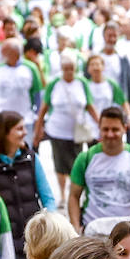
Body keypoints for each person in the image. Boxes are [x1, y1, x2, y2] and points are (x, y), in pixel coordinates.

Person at [67, 107, 130, 233]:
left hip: (127, 230)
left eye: (115, 130)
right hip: (93, 228)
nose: (110, 134)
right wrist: (75, 228)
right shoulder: (85, 158)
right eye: (105, 129)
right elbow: (74, 196)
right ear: (99, 129)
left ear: (124, 129)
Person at [0, 111, 56, 259]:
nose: (25, 133)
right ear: (3, 133)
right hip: (2, 240)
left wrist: (48, 223)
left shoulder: (30, 158)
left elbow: (47, 197)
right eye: (19, 129)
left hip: (33, 238)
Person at [35, 53, 100, 210]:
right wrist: (38, 129)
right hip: (57, 130)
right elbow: (43, 108)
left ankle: (74, 192)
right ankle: (63, 195)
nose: (69, 72)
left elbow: (90, 105)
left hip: (76, 133)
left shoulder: (82, 83)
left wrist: (100, 124)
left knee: (76, 164)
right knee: (59, 164)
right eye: (66, 69)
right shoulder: (54, 83)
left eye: (71, 69)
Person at [0, 37, 45, 129]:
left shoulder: (30, 68)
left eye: (5, 51)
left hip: (25, 120)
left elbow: (38, 95)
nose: (2, 54)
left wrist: (36, 117)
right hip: (2, 119)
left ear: (14, 52)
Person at [83, 51, 130, 132]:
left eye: (97, 64)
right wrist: (99, 123)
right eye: (92, 65)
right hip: (91, 127)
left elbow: (123, 102)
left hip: (108, 127)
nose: (95, 68)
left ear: (103, 67)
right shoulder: (85, 85)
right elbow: (88, 106)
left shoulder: (110, 84)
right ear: (88, 69)